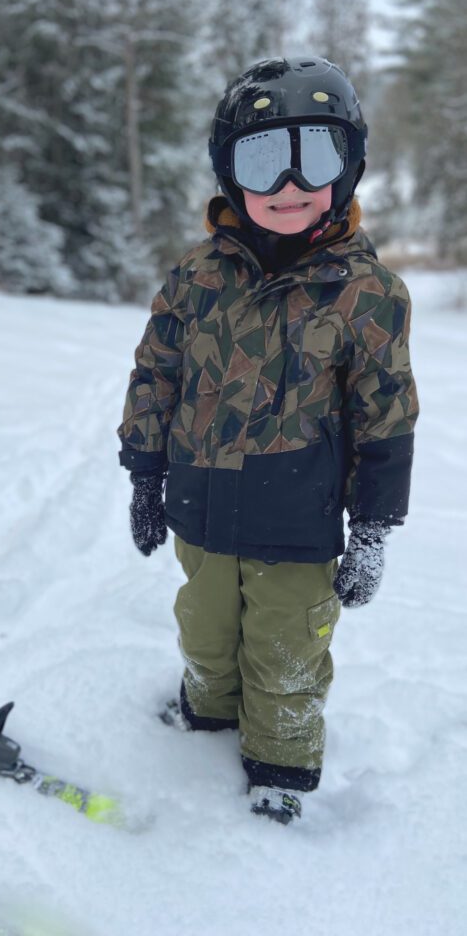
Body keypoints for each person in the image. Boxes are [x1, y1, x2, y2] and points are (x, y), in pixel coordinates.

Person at [117, 56, 419, 825]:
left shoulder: (366, 294)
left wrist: (373, 527)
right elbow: (155, 372)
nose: (288, 185)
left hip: (297, 519)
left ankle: (279, 765)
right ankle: (206, 724)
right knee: (205, 633)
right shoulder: (195, 276)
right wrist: (145, 476)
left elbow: (386, 416)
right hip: (199, 500)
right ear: (229, 172)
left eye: (311, 156)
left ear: (347, 165)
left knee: (285, 656)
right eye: (261, 159)